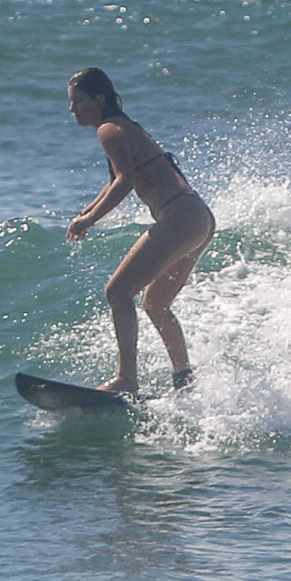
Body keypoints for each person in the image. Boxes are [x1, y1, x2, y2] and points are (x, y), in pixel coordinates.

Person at [65, 67, 216, 394]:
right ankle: (185, 380)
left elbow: (124, 182)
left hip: (178, 216)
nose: (72, 109)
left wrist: (89, 222)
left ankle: (126, 380)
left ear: (99, 99)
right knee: (156, 303)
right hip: (199, 218)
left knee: (117, 292)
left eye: (78, 101)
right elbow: (114, 182)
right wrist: (85, 214)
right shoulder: (124, 127)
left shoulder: (109, 129)